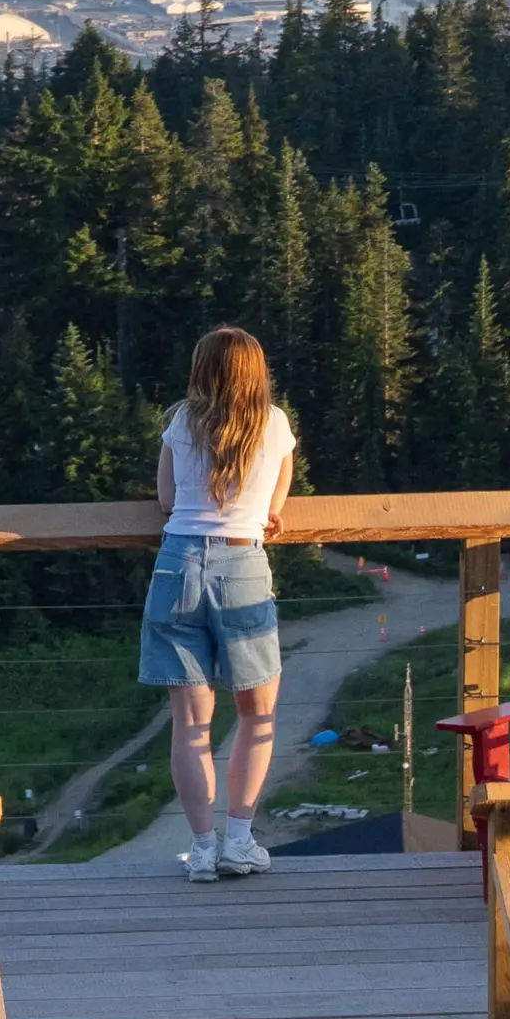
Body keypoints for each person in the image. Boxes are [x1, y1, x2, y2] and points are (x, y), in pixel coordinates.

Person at [144, 325, 297, 880]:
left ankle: (202, 849)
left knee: (190, 724)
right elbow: (276, 503)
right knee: (258, 717)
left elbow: (165, 499)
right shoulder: (274, 423)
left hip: (176, 564)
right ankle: (239, 839)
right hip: (243, 565)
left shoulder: (180, 421)